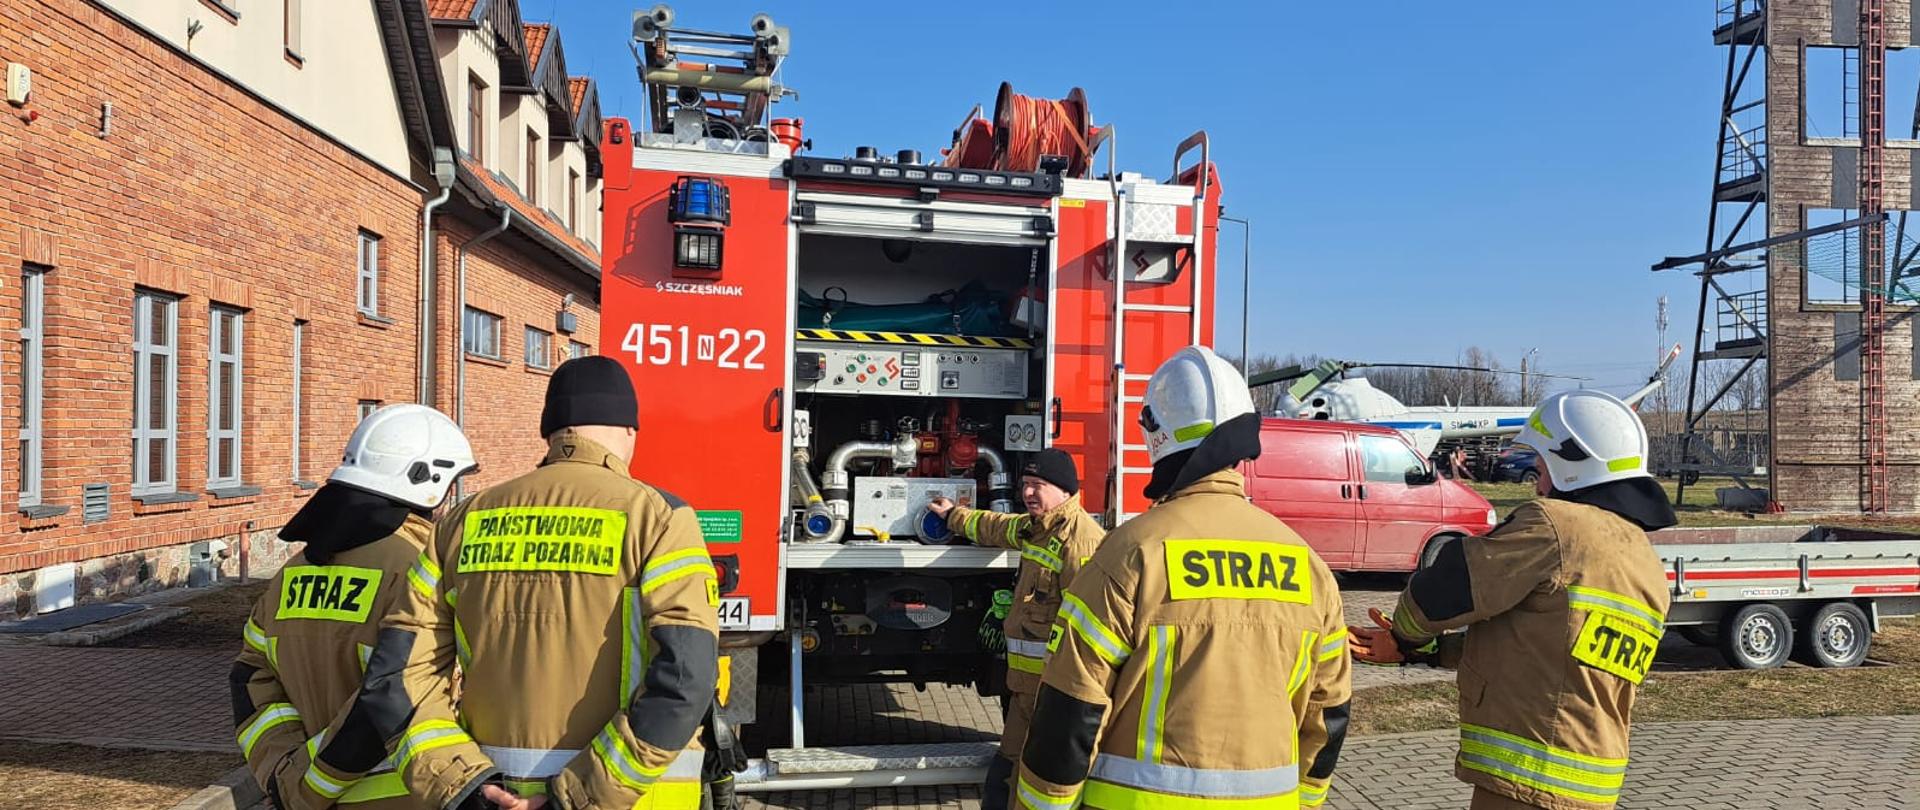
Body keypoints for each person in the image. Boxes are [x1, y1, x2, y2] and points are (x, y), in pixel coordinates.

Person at [303, 356, 721, 810]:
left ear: (550, 432)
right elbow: (685, 676)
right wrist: (576, 796)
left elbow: (398, 677)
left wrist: (461, 784)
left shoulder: (462, 522)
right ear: (629, 432)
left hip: (490, 797)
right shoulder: (660, 519)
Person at [1014, 346, 1352, 809]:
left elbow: (1072, 707)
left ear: (1155, 434)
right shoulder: (1308, 565)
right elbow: (1328, 710)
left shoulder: (1131, 553)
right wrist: (1306, 801)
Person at [1349, 390, 1677, 810]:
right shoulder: (1643, 562)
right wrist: (1428, 653)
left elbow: (1446, 589)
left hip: (1530, 782)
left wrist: (1403, 636)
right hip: (1593, 785)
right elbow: (1545, 649)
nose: (1538, 484)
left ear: (1569, 464)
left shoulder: (1556, 525)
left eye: (1540, 468)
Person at [231, 404, 476, 810]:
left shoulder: (291, 573)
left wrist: (287, 774)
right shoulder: (421, 571)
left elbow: (250, 678)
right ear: (428, 482)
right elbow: (397, 692)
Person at [925, 448, 1106, 810]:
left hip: (1052, 695)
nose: (1028, 493)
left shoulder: (1081, 541)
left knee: (1026, 781)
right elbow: (995, 526)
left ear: (1065, 490)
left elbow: (1086, 633)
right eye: (1025, 484)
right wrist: (953, 516)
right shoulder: (1036, 527)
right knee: (1006, 775)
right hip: (1025, 691)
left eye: (1038, 485)